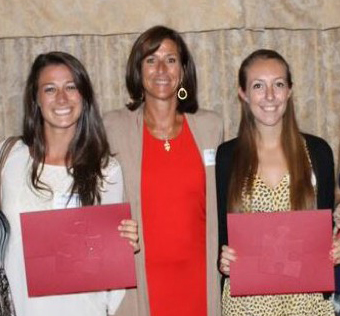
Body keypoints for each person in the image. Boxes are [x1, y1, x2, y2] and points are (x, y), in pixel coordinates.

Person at [2, 51, 139, 316]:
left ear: (84, 96)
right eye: (50, 89)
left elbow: (108, 260)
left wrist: (122, 244)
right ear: (36, 99)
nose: (62, 98)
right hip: (20, 308)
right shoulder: (9, 158)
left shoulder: (107, 170)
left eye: (71, 87)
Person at [104, 25, 223, 316]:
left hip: (199, 280)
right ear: (138, 69)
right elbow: (93, 196)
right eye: (151, 60)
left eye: (170, 59)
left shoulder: (211, 126)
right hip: (139, 281)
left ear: (182, 70)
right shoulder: (112, 127)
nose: (161, 69)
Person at [216, 49, 336, 315]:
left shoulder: (318, 152)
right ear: (243, 94)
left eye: (278, 84)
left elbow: (327, 230)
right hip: (247, 304)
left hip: (308, 301)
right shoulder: (226, 157)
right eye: (258, 86)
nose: (270, 96)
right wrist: (222, 259)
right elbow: (220, 232)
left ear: (290, 91)